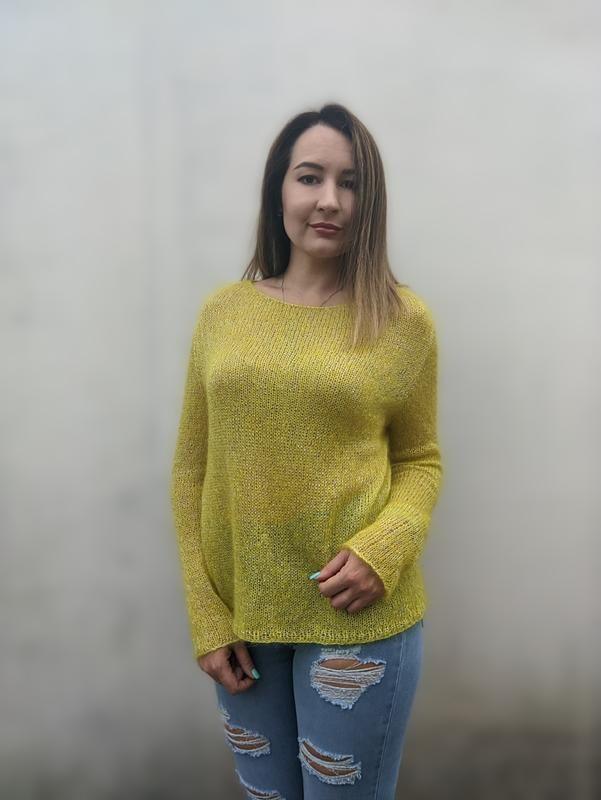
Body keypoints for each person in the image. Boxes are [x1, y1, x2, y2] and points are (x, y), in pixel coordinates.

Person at [169, 103, 444, 800]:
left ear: (369, 201)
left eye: (350, 183)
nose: (329, 200)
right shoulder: (223, 313)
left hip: (357, 620)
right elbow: (191, 468)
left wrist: (387, 546)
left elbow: (419, 461)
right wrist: (206, 614)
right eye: (310, 177)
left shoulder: (401, 320)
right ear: (279, 189)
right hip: (243, 625)